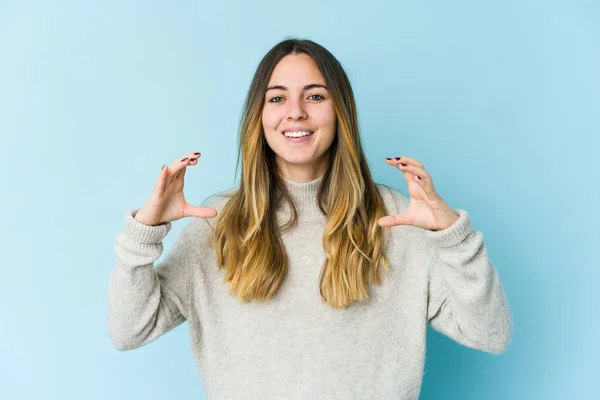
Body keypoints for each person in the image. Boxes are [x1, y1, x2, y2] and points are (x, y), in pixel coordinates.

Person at [107, 38, 512, 400]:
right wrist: (143, 234)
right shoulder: (218, 226)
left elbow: (490, 333)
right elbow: (129, 330)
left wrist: (452, 236)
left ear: (340, 111)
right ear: (258, 116)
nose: (296, 112)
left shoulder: (397, 222)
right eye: (277, 98)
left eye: (315, 96)